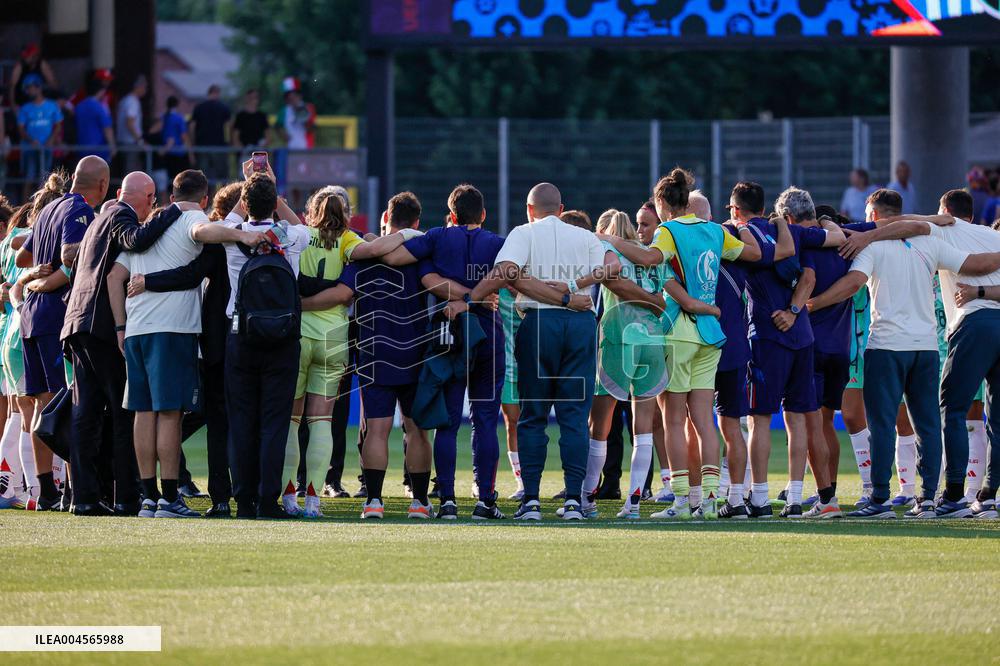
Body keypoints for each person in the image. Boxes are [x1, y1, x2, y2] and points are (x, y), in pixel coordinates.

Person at [818, 209, 1000, 518]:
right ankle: (933, 498)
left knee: (884, 424)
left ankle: (881, 499)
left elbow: (853, 283)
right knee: (929, 424)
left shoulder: (876, 245)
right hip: (926, 347)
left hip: (888, 345)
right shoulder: (938, 245)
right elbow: (977, 264)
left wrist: (812, 304)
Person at [601, 170, 761, 520]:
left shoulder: (668, 231)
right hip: (710, 334)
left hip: (676, 333)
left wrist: (609, 240)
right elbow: (752, 253)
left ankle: (680, 503)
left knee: (673, 420)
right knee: (704, 420)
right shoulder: (715, 230)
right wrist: (744, 226)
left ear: (661, 204)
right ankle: (707, 500)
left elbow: (647, 259)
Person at [109, 169, 264, 519]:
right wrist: (245, 236)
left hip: (136, 329)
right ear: (204, 199)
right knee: (169, 414)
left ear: (169, 192)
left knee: (142, 412)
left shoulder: (148, 224)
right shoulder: (191, 218)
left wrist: (121, 327)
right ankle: (169, 498)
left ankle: (148, 497)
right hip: (172, 328)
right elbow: (202, 230)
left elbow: (114, 276)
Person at [464, 183, 600, 521]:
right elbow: (609, 269)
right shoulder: (586, 237)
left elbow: (507, 271)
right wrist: (571, 291)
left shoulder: (523, 233)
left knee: (533, 416)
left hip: (539, 324)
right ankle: (573, 501)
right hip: (581, 325)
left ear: (529, 209)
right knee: (574, 418)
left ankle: (532, 502)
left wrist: (472, 298)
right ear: (561, 206)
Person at [303, 193, 435, 519]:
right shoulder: (422, 252)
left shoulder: (361, 254)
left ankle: (373, 502)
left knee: (376, 430)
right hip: (415, 349)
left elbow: (342, 294)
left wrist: (296, 304)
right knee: (417, 430)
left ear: (384, 218)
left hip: (375, 351)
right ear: (416, 224)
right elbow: (439, 286)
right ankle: (419, 502)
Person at [61, 170, 181, 517]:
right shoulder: (121, 214)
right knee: (122, 412)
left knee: (85, 413)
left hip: (77, 322)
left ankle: (84, 497)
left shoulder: (99, 218)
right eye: (153, 202)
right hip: (101, 326)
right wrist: (174, 213)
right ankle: (126, 496)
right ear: (145, 198)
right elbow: (136, 240)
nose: (152, 208)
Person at [731, 183, 845, 518]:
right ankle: (795, 498)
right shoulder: (795, 233)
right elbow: (835, 240)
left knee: (760, 420)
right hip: (803, 336)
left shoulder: (739, 233)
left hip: (767, 335)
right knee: (798, 420)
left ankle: (761, 497)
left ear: (736, 209)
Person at [132, 181, 243, 517]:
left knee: (159, 412)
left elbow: (190, 274)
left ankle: (163, 495)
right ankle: (252, 495)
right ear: (204, 199)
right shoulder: (270, 234)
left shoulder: (149, 229)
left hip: (186, 333)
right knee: (177, 414)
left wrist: (146, 285)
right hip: (244, 335)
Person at [15, 157, 110, 510]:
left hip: (30, 317)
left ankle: (45, 490)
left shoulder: (48, 208)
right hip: (57, 313)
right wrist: (45, 281)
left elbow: (23, 257)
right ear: (102, 186)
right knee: (68, 403)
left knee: (42, 401)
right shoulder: (80, 211)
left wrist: (32, 280)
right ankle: (73, 489)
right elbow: (74, 263)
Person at [221, 171, 311, 519]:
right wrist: (275, 193)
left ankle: (243, 502)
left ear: (244, 204)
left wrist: (249, 194)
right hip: (284, 339)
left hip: (241, 336)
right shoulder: (292, 236)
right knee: (274, 423)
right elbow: (300, 222)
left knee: (241, 421)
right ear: (275, 203)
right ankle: (268, 501)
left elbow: (226, 219)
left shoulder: (234, 234)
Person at [278, 187, 365, 519]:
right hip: (334, 337)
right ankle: (314, 500)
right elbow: (375, 249)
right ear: (345, 213)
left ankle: (290, 497)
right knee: (322, 421)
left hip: (298, 336)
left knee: (292, 420)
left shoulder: (299, 234)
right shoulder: (348, 240)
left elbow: (279, 209)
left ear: (311, 211)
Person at [585, 209, 672, 519]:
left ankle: (586, 498)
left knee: (599, 425)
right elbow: (665, 301)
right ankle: (633, 503)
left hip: (618, 339)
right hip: (651, 340)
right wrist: (651, 301)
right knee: (643, 427)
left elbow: (612, 282)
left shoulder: (607, 251)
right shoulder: (650, 257)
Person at [0, 204, 31, 509]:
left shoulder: (8, 242)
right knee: (34, 411)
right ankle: (30, 488)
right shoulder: (34, 235)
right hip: (26, 330)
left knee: (15, 412)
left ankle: (11, 486)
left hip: (8, 332)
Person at [17, 74, 63, 199]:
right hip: (30, 149)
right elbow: (21, 129)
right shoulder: (25, 108)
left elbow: (58, 125)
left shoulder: (52, 105)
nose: (29, 91)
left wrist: (51, 140)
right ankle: (24, 208)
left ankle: (41, 206)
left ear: (38, 88)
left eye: (31, 87)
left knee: (45, 179)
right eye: (27, 88)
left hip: (46, 149)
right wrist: (31, 141)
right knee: (29, 177)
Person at [190, 85, 231, 183]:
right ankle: (223, 197)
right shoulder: (224, 108)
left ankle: (205, 197)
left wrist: (193, 143)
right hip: (219, 147)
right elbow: (228, 127)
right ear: (217, 93)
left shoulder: (199, 107)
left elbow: (192, 126)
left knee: (203, 178)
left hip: (202, 146)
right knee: (222, 178)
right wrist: (229, 142)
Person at [74, 77, 116, 161]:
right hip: (99, 151)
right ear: (101, 91)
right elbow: (107, 128)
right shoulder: (99, 107)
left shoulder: (79, 106)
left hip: (81, 149)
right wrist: (112, 146)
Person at [9, 43, 57, 111]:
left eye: (28, 56)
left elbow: (53, 83)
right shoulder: (19, 67)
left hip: (40, 98)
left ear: (35, 56)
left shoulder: (42, 64)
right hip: (23, 99)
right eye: (24, 56)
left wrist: (56, 99)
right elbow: (12, 88)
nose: (25, 58)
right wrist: (13, 106)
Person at [116, 76, 147, 175]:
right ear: (139, 87)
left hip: (123, 142)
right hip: (130, 143)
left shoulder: (125, 100)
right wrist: (140, 140)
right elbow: (130, 122)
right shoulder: (132, 101)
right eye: (145, 87)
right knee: (131, 174)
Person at [160, 96, 192, 190]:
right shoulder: (179, 118)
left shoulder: (164, 117)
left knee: (169, 182)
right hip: (178, 154)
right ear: (177, 105)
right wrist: (191, 154)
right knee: (180, 181)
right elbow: (184, 136)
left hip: (167, 154)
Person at [277, 80, 315, 150]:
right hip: (291, 148)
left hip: (307, 148)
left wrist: (300, 111)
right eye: (289, 97)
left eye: (294, 96)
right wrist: (284, 136)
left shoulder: (309, 108)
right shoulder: (284, 111)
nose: (292, 98)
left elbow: (311, 129)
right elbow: (277, 126)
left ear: (299, 96)